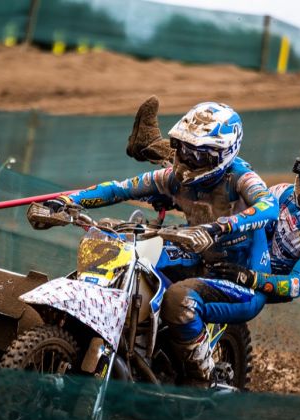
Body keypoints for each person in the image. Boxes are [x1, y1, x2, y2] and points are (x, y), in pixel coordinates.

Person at [28, 98, 278, 387]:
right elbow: (118, 189)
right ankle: (132, 339)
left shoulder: (241, 178)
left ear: (222, 155)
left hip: (243, 280)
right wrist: (65, 202)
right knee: (130, 254)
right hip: (198, 256)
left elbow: (269, 206)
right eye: (182, 148)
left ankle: (201, 379)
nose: (186, 160)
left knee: (179, 302)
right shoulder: (173, 177)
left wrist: (219, 227)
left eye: (198, 155)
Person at [125, 97, 300, 306]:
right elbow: (245, 211)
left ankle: (151, 147)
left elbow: (297, 284)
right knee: (225, 177)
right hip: (238, 250)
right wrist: (180, 200)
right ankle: (154, 148)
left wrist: (249, 277)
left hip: (258, 279)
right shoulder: (284, 193)